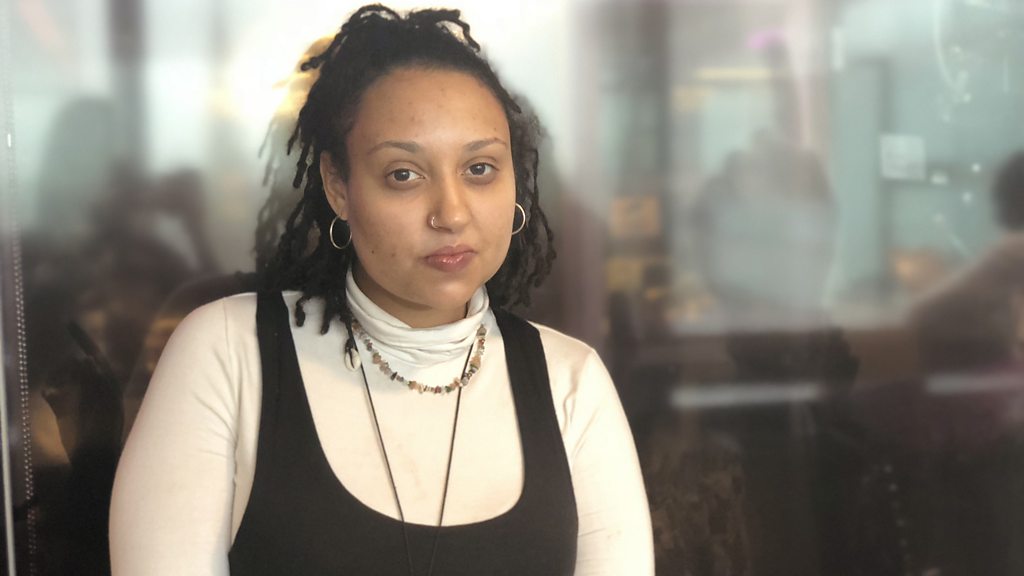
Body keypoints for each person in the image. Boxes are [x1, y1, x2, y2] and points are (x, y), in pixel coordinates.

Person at [109, 5, 654, 575]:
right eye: (403, 174)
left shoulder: (572, 382)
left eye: (480, 168)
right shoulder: (228, 352)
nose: (451, 213)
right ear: (338, 187)